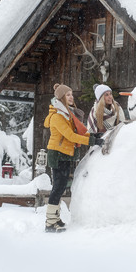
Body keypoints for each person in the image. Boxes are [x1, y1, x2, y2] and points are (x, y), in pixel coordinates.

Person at [44, 83, 104, 232]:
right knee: (58, 187)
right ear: (61, 97)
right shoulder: (57, 116)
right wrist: (91, 141)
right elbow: (70, 136)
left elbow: (77, 132)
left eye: (71, 94)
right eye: (68, 94)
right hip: (57, 153)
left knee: (61, 186)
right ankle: (50, 223)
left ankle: (55, 219)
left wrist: (92, 135)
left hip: (64, 153)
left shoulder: (67, 114)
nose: (71, 97)